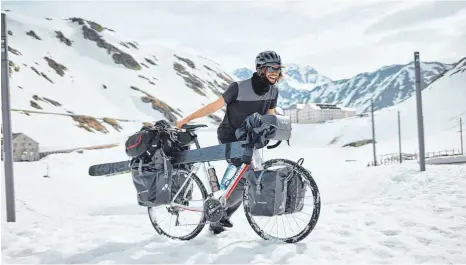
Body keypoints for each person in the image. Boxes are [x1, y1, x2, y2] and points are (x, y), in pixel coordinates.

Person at [176, 50, 284, 234]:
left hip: (252, 137)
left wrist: (274, 131)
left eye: (278, 69)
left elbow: (270, 115)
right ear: (260, 69)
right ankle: (219, 216)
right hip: (231, 136)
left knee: (245, 177)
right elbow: (214, 106)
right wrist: (187, 119)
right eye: (270, 68)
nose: (275, 72)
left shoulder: (273, 90)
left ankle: (219, 213)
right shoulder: (239, 87)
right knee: (245, 177)